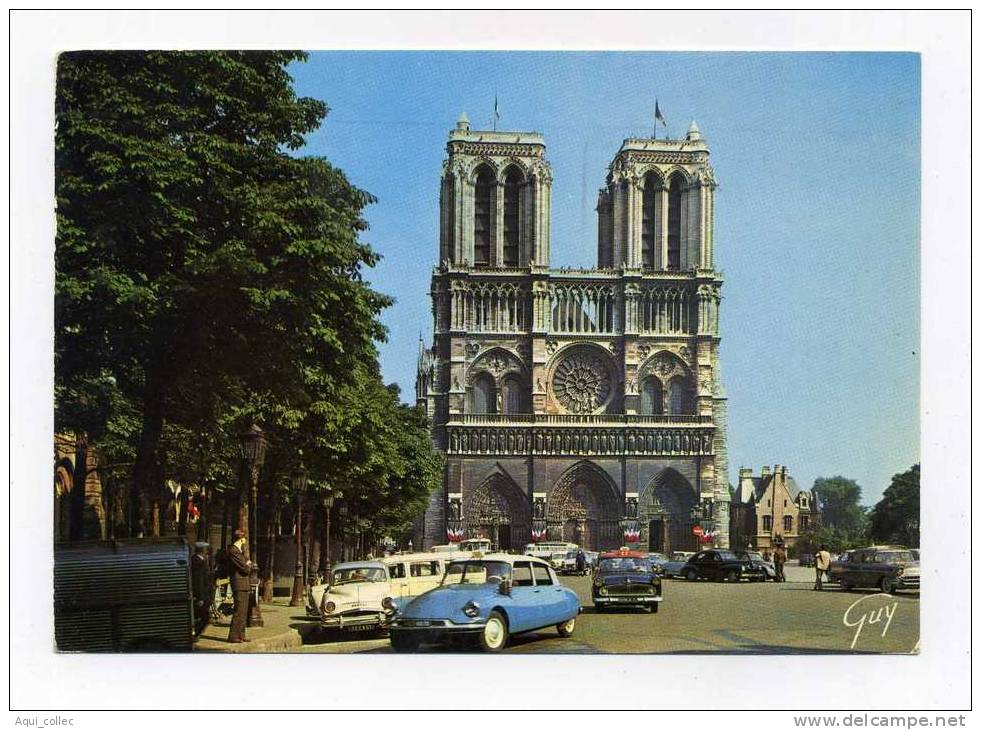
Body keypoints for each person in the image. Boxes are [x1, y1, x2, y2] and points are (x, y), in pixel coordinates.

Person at [227, 529, 254, 643]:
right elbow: (246, 568)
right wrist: (248, 564)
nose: (245, 542)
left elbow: (247, 563)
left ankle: (241, 634)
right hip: (239, 584)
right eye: (244, 539)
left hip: (243, 584)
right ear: (241, 539)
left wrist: (247, 563)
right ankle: (233, 636)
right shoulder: (233, 551)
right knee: (239, 611)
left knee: (243, 611)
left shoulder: (238, 551)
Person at [190, 542, 213, 637]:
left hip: (202, 595)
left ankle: (194, 635)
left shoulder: (197, 560)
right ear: (203, 551)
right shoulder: (198, 562)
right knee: (204, 618)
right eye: (206, 550)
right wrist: (200, 598)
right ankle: (194, 635)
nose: (207, 552)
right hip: (201, 596)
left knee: (201, 617)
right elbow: (198, 581)